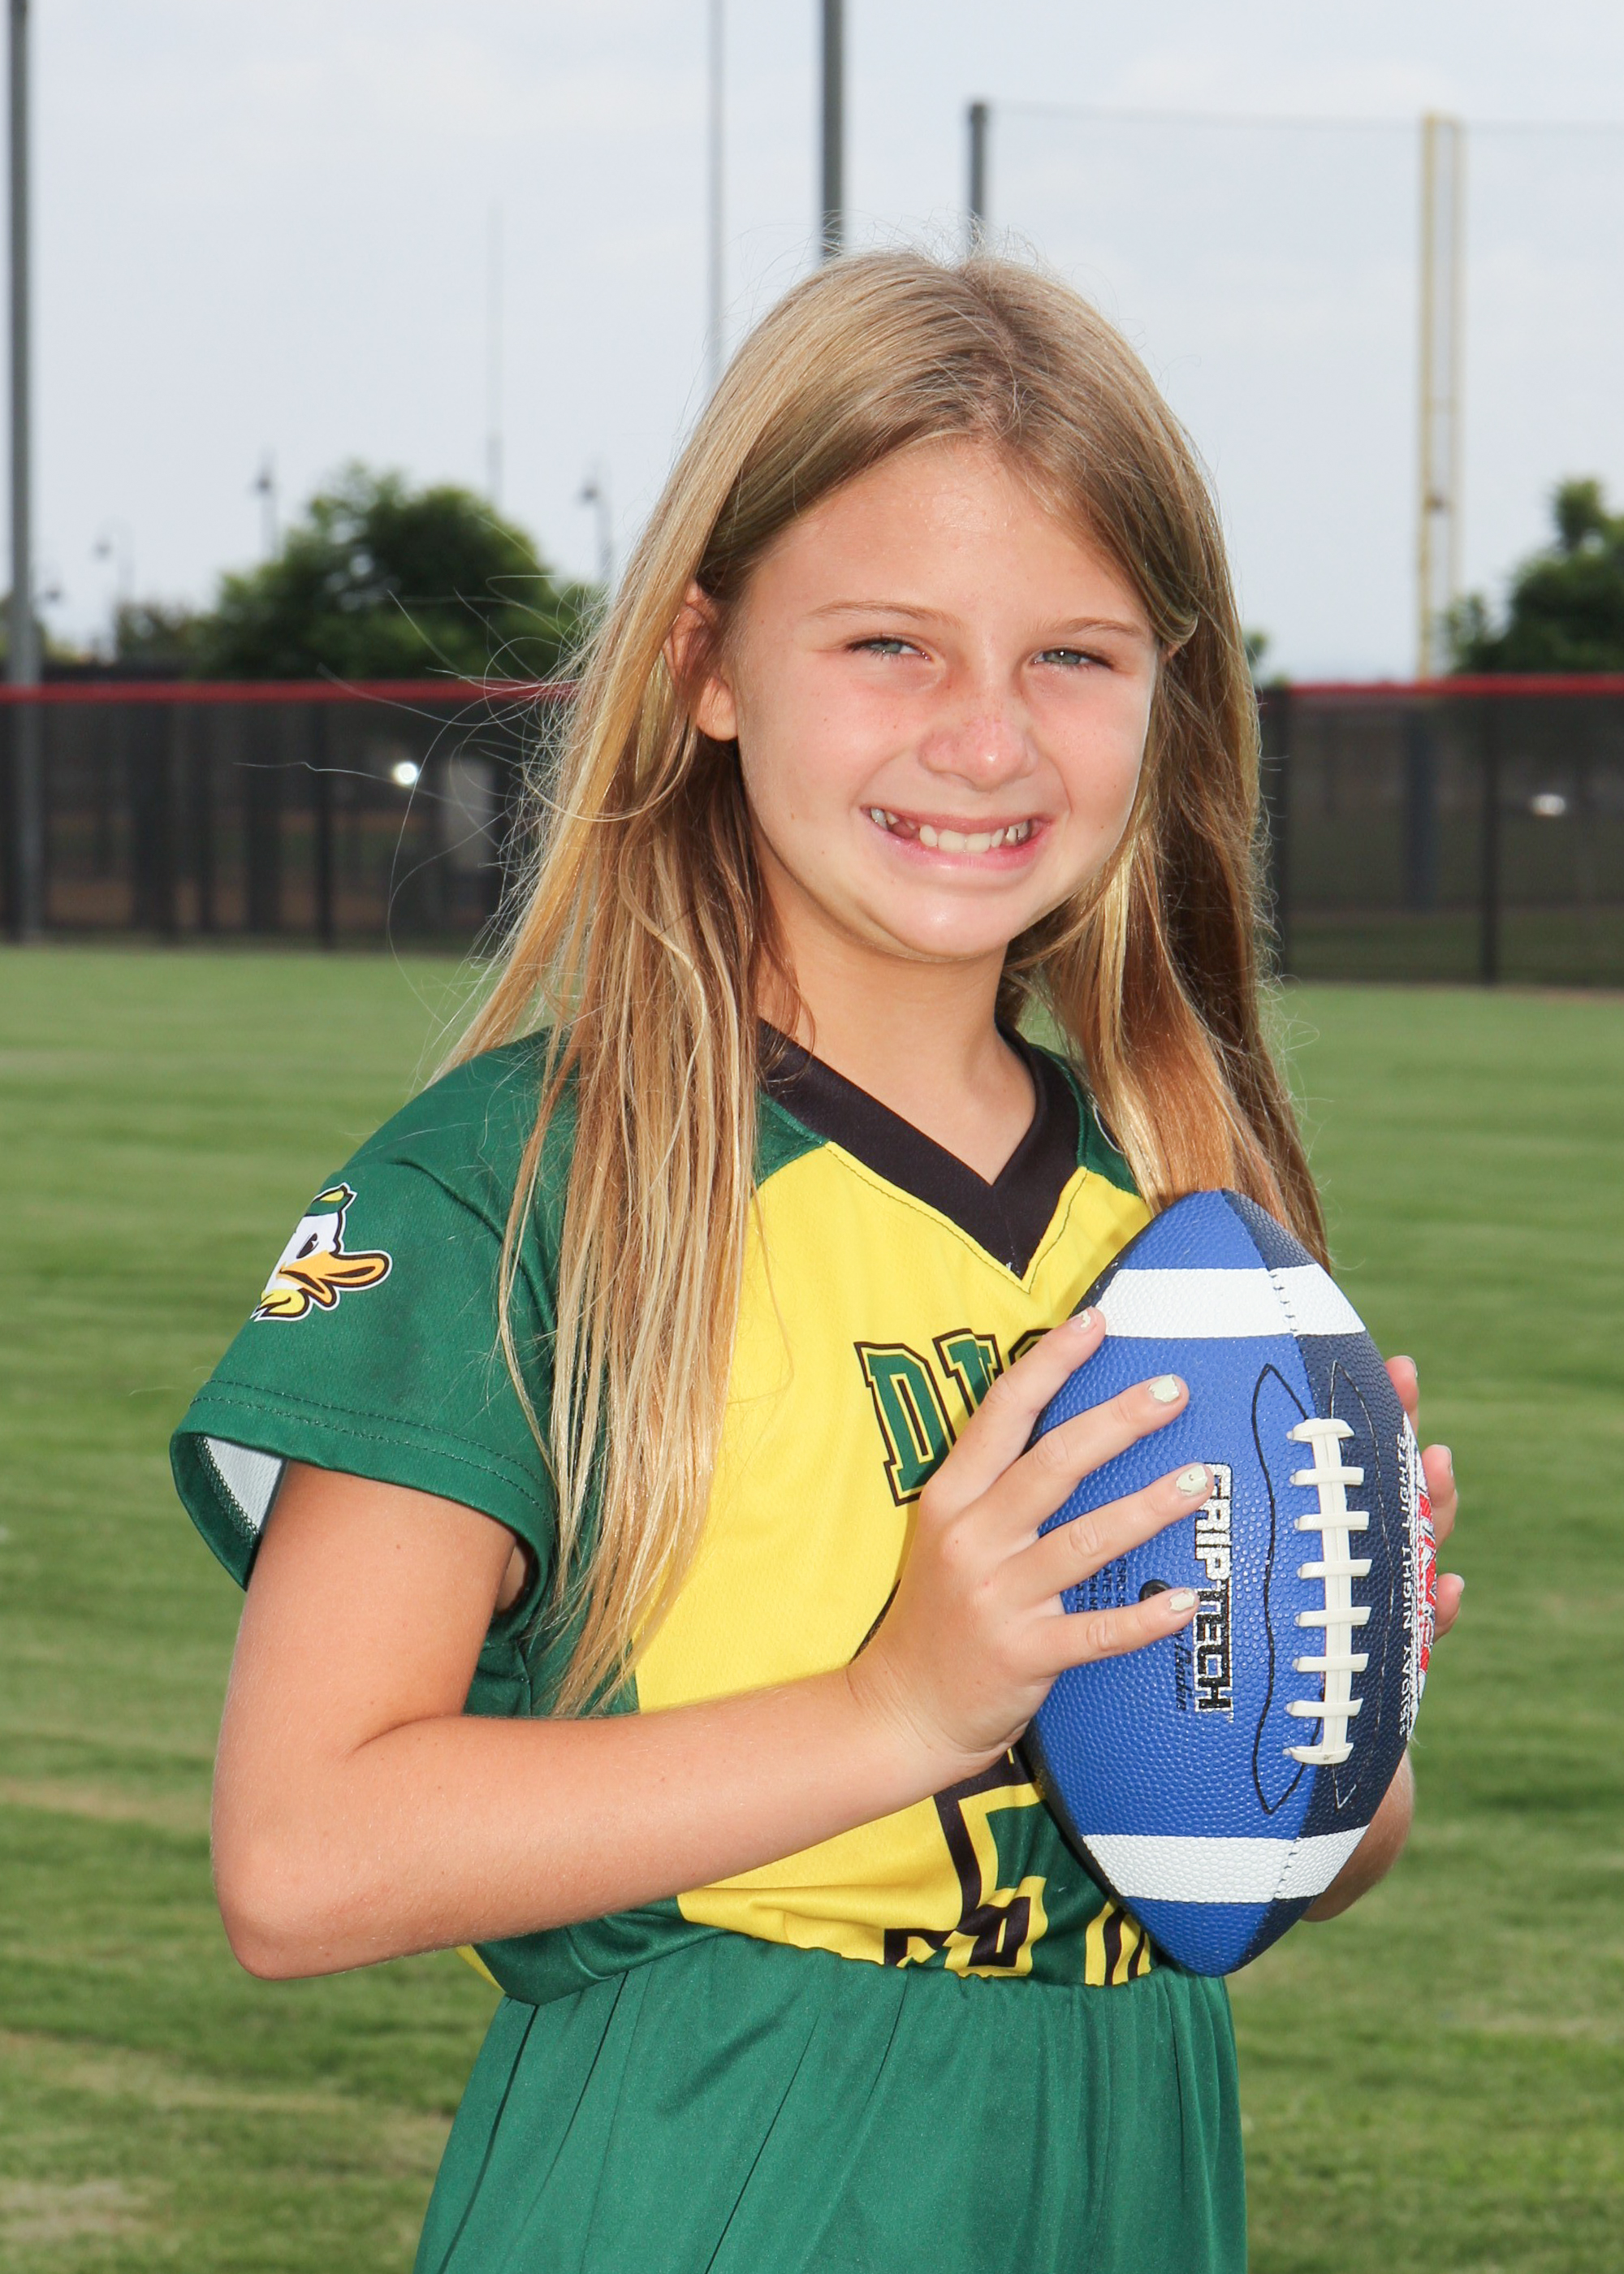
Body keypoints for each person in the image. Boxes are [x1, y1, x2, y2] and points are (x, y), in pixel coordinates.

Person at [171, 250, 1462, 2274]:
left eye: (1074, 655)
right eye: (887, 644)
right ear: (706, 661)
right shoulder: (518, 1191)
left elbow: (1281, 1860)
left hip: (1129, 2162)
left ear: (1166, 694)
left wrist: (1327, 1704)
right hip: (717, 2166)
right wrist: (896, 1706)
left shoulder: (1179, 1217)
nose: (985, 738)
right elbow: (300, 1854)